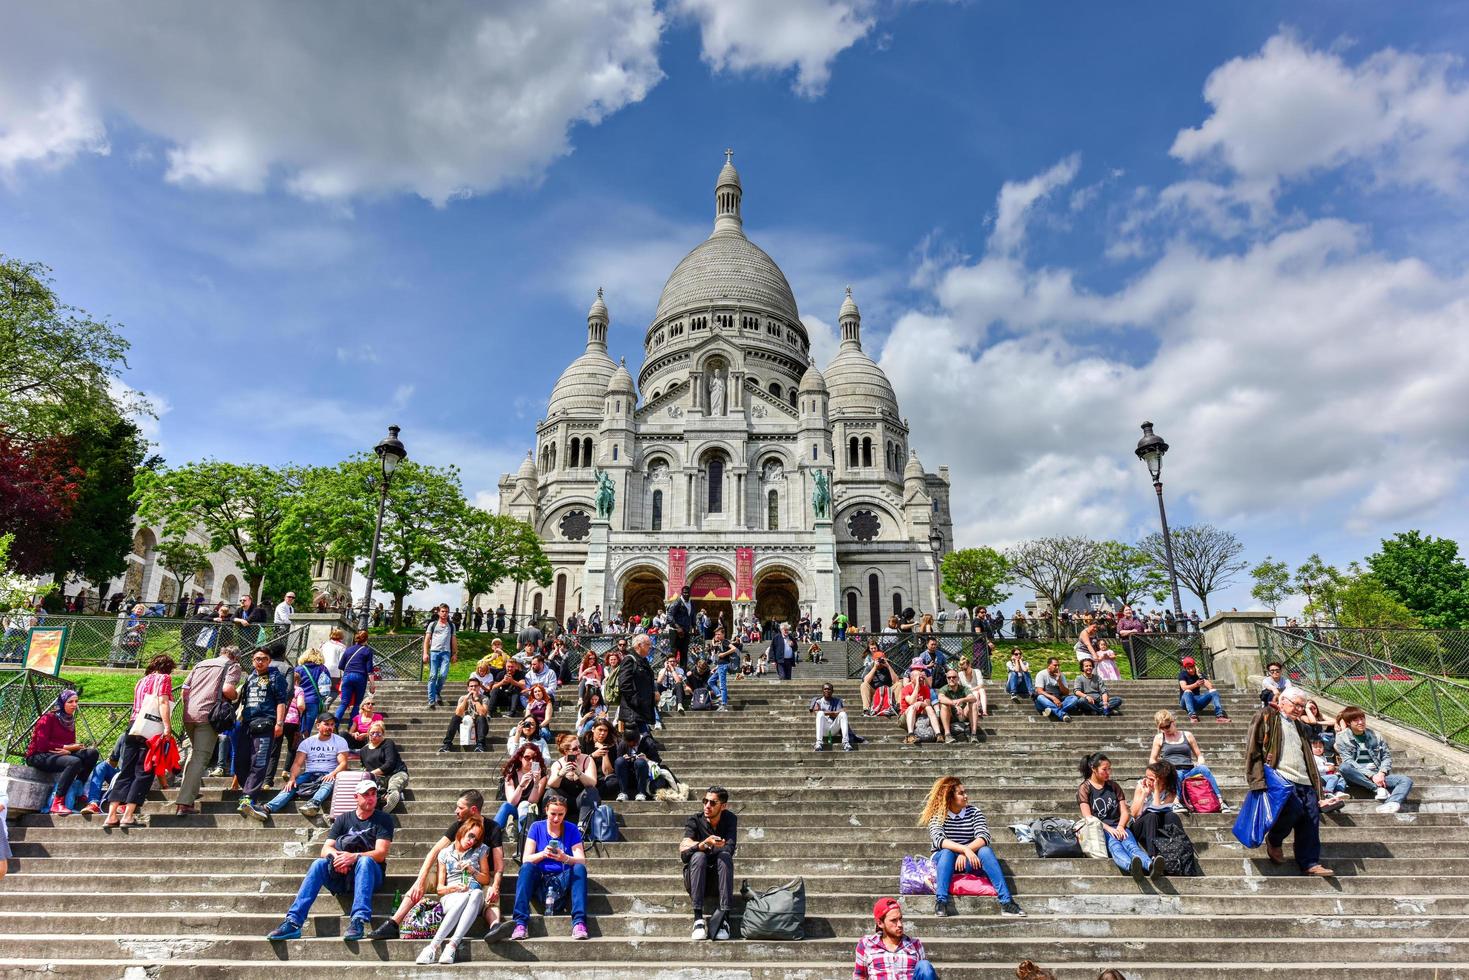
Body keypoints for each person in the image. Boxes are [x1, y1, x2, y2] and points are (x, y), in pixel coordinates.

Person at [370, 790, 514, 943]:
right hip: (452, 872)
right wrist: (421, 879)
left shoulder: (493, 828)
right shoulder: (458, 826)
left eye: (460, 808)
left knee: (491, 892)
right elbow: (435, 851)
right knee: (421, 881)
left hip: (479, 874)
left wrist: (496, 885)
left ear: (473, 810)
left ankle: (495, 927)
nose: (456, 811)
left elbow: (499, 865)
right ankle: (393, 923)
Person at [266, 780, 394, 942]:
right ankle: (293, 922)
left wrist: (353, 857)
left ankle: (358, 920)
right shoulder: (343, 819)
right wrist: (337, 859)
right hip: (341, 875)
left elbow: (381, 853)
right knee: (319, 863)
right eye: (365, 795)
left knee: (365, 861)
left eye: (373, 794)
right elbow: (325, 849)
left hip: (370, 875)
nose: (370, 798)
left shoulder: (383, 819)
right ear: (356, 797)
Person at [1245, 686, 1334, 877]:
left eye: (1302, 706)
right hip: (1281, 778)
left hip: (1305, 780)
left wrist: (1319, 790)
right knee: (1294, 810)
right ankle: (1274, 840)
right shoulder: (1267, 716)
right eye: (1296, 705)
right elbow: (1253, 749)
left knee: (1311, 819)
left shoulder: (1300, 726)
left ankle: (1310, 862)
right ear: (1282, 701)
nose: (1299, 709)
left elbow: (1308, 757)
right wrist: (1257, 781)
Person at [918, 776, 1024, 917]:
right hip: (944, 861)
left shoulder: (974, 812)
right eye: (961, 793)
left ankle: (1006, 902)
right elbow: (939, 841)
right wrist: (965, 849)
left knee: (985, 851)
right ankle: (941, 901)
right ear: (949, 797)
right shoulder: (938, 815)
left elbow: (984, 837)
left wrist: (965, 853)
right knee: (947, 852)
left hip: (969, 860)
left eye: (965, 792)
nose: (966, 796)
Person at [105, 654, 176, 829]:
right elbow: (163, 702)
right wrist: (167, 726)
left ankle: (111, 815)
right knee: (144, 770)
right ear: (167, 667)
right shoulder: (164, 678)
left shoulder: (141, 681)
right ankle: (128, 815)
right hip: (150, 730)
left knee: (126, 771)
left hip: (133, 726)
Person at [510, 794, 591, 941]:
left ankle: (579, 922)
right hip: (540, 879)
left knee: (579, 869)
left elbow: (581, 860)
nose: (556, 818)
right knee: (527, 868)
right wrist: (543, 854)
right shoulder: (536, 827)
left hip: (562, 879)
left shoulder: (571, 829)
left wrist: (564, 858)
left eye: (560, 814)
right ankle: (520, 923)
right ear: (546, 810)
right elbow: (526, 858)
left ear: (565, 813)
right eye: (553, 813)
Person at [414, 818, 493, 963]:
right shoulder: (444, 853)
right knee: (463, 897)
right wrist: (454, 888)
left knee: (476, 893)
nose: (472, 841)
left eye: (475, 839)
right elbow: (440, 889)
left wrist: (472, 870)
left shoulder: (480, 850)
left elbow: (486, 879)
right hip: (452, 896)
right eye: (470, 835)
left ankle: (451, 945)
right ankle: (432, 947)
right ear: (462, 831)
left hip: (474, 896)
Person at [246, 714, 349, 821]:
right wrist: (292, 778)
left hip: (329, 772)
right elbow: (297, 764)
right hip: (310, 773)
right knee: (291, 785)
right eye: (326, 724)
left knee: (329, 781)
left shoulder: (340, 741)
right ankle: (267, 808)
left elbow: (343, 763)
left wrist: (332, 774)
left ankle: (314, 803)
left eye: (332, 725)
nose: (330, 727)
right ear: (318, 725)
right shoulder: (307, 742)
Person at [1078, 752, 1161, 880]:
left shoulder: (1114, 786)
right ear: (1093, 769)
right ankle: (1132, 867)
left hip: (1120, 826)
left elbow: (1124, 812)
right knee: (1116, 847)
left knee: (1132, 846)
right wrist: (1110, 829)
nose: (1108, 772)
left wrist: (1121, 827)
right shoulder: (1085, 788)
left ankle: (1151, 866)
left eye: (1109, 769)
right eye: (1104, 769)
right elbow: (1088, 817)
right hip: (1101, 829)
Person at [26, 690, 101, 814]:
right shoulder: (48, 718)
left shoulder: (69, 720)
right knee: (74, 762)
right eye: (70, 702)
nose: (74, 705)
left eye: (76, 701)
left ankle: (78, 788)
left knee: (92, 753)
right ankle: (58, 802)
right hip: (38, 755)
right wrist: (66, 748)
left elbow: (70, 744)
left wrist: (74, 747)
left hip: (58, 753)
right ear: (62, 703)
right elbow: (42, 744)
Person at [681, 785, 738, 940]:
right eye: (705, 801)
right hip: (695, 879)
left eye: (713, 803)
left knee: (724, 857)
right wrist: (705, 844)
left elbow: (729, 849)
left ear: (723, 806)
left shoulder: (730, 819)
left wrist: (697, 846)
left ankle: (724, 918)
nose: (707, 806)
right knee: (699, 857)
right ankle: (698, 919)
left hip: (717, 879)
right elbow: (684, 854)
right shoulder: (695, 820)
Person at [1149, 709, 1231, 812]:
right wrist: (1161, 767)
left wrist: (1200, 762)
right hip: (1172, 772)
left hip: (1188, 770)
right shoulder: (1159, 738)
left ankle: (1220, 802)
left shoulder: (1187, 735)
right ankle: (1176, 802)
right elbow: (1152, 759)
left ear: (1173, 722)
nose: (1165, 730)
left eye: (1167, 726)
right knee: (1177, 773)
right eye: (1162, 727)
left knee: (1203, 769)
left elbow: (1199, 755)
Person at [1336, 705, 1414, 813]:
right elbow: (1348, 761)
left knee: (1406, 780)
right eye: (1356, 720)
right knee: (1344, 767)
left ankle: (1391, 803)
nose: (1360, 722)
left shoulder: (1376, 736)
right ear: (1348, 723)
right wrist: (1371, 776)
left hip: (1378, 775)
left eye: (1362, 718)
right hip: (1357, 776)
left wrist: (1381, 773)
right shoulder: (1342, 737)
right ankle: (1377, 789)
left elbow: (1386, 756)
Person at [854, 897, 935, 980]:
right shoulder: (867, 944)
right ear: (880, 923)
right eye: (894, 920)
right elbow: (860, 977)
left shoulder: (915, 944)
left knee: (924, 966)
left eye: (900, 919)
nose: (900, 924)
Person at [546, 733, 600, 826]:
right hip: (565, 802)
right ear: (565, 751)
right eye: (575, 749)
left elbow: (592, 783)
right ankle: (548, 822)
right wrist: (561, 774)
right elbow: (551, 784)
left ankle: (582, 825)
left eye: (579, 747)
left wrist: (579, 772)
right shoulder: (558, 764)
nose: (579, 750)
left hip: (583, 800)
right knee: (550, 792)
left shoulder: (587, 759)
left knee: (591, 790)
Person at [495, 743, 550, 830]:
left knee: (524, 804)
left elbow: (533, 801)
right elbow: (512, 802)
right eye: (528, 758)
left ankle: (523, 837)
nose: (531, 761)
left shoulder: (541, 776)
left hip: (531, 811)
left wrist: (536, 783)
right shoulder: (511, 775)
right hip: (514, 810)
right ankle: (490, 834)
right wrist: (521, 785)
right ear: (520, 758)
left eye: (534, 758)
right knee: (505, 806)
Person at [359, 720, 409, 812]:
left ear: (383, 734)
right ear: (368, 733)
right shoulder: (363, 750)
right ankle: (384, 797)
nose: (375, 736)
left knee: (394, 785)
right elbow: (364, 767)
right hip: (379, 779)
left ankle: (391, 798)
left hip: (396, 773)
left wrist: (372, 773)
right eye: (372, 733)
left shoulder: (388, 743)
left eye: (378, 733)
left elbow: (390, 764)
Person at [334, 631, 376, 725]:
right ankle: (351, 726)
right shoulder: (367, 650)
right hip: (360, 677)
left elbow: (341, 665)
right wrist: (372, 684)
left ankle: (334, 724)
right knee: (357, 704)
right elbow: (369, 669)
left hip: (347, 676)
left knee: (344, 703)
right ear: (366, 639)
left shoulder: (348, 650)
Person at [618, 634, 657, 735]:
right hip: (633, 712)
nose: (650, 647)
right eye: (648, 644)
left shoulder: (644, 661)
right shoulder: (629, 660)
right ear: (639, 645)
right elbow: (624, 684)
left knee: (643, 743)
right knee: (646, 744)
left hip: (642, 711)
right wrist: (636, 701)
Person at [440, 678, 491, 753]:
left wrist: (476, 700)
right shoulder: (463, 698)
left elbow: (483, 714)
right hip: (466, 728)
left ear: (479, 687)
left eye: (476, 686)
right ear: (468, 688)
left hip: (480, 728)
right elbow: (458, 713)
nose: (473, 688)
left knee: (481, 718)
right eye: (471, 686)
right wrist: (465, 700)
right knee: (455, 718)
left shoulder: (484, 698)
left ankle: (480, 745)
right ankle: (447, 744)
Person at [424, 604, 459, 709]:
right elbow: (426, 640)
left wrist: (454, 653)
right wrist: (425, 653)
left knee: (443, 675)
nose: (444, 613)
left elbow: (453, 640)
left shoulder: (451, 626)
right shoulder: (432, 624)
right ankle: (431, 699)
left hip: (446, 653)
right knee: (433, 675)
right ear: (439, 612)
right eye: (443, 611)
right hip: (434, 652)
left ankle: (437, 692)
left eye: (446, 612)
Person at [614, 726, 663, 801]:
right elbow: (618, 763)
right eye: (628, 743)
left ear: (638, 739)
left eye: (634, 743)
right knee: (619, 761)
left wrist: (646, 759)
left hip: (645, 776)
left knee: (640, 762)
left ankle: (641, 792)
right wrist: (624, 759)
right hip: (628, 775)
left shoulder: (648, 742)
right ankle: (623, 792)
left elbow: (657, 762)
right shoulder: (623, 744)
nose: (631, 745)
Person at [1178, 656, 1230, 723]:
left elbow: (1210, 687)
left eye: (1192, 667)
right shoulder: (1182, 674)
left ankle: (1220, 716)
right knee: (1187, 691)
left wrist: (1199, 675)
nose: (1191, 670)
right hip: (1185, 702)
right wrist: (1196, 684)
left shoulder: (1199, 674)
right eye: (1188, 669)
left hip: (1198, 702)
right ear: (1185, 668)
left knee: (1213, 691)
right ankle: (1193, 716)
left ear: (1195, 666)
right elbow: (1184, 687)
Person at [899, 665, 942, 745]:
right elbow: (911, 702)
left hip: (920, 715)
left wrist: (921, 703)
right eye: (919, 677)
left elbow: (927, 703)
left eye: (922, 677)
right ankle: (910, 735)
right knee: (912, 707)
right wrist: (917, 686)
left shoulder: (925, 688)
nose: (921, 679)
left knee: (929, 708)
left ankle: (938, 734)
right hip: (905, 717)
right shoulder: (906, 689)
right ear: (912, 679)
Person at [935, 669, 977, 744]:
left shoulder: (964, 688)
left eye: (954, 677)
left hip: (962, 714)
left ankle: (973, 734)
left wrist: (962, 700)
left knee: (973, 704)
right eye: (949, 677)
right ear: (946, 679)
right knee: (944, 705)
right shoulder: (944, 689)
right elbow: (940, 698)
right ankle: (947, 735)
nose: (951, 679)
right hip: (950, 715)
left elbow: (973, 698)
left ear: (958, 678)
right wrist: (954, 704)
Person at [860, 640, 899, 716]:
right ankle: (866, 710)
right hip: (874, 690)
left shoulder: (888, 665)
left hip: (888, 690)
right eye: (878, 660)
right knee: (863, 685)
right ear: (874, 660)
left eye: (881, 659)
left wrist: (888, 666)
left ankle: (898, 707)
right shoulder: (870, 666)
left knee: (899, 684)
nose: (880, 662)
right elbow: (866, 681)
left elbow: (896, 681)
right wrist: (874, 667)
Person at [1033, 657, 1080, 722]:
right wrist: (1053, 698)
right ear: (1048, 666)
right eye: (1055, 665)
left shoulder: (1061, 675)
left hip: (1059, 700)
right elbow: (1039, 691)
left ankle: (1052, 711)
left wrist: (1059, 681)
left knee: (1074, 698)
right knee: (1040, 697)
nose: (1057, 667)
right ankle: (1062, 714)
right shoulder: (1041, 674)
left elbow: (1066, 693)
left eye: (1058, 665)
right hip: (1045, 702)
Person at [811, 683, 854, 751]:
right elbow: (816, 712)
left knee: (843, 714)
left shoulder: (837, 701)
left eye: (829, 689)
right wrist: (833, 713)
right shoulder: (818, 701)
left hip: (834, 728)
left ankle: (845, 743)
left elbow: (842, 711)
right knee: (820, 713)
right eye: (825, 689)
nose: (827, 691)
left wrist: (829, 713)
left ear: (832, 691)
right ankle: (819, 743)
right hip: (824, 729)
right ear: (822, 690)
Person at [1312, 736, 1352, 805]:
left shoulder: (1323, 757)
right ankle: (1327, 793)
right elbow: (1315, 768)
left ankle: (1338, 791)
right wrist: (1327, 768)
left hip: (1326, 777)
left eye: (1320, 747)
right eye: (1315, 747)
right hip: (1318, 778)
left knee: (1341, 777)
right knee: (1333, 777)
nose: (1318, 749)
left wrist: (1333, 769)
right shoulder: (1312, 757)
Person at [710, 627, 740, 711]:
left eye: (719, 634)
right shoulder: (720, 643)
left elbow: (734, 648)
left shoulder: (725, 641)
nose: (717, 636)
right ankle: (720, 696)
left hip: (723, 666)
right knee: (711, 681)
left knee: (722, 685)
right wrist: (716, 667)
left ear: (723, 634)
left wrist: (723, 654)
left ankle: (724, 704)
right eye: (716, 634)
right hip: (720, 666)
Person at [954, 654, 988, 721]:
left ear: (970, 665)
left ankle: (984, 711)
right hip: (967, 693)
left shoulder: (977, 671)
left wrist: (971, 689)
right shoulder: (960, 674)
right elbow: (958, 686)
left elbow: (981, 685)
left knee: (982, 690)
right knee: (975, 692)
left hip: (976, 689)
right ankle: (977, 710)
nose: (964, 671)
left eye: (965, 669)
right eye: (962, 669)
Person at [667, 585, 695, 666]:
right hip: (675, 631)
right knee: (674, 651)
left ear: (690, 593)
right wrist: (677, 627)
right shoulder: (677, 602)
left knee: (684, 652)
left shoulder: (692, 603)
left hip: (686, 630)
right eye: (684, 593)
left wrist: (694, 626)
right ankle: (671, 670)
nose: (686, 594)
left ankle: (683, 672)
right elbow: (669, 615)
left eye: (688, 593)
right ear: (681, 593)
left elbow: (693, 615)